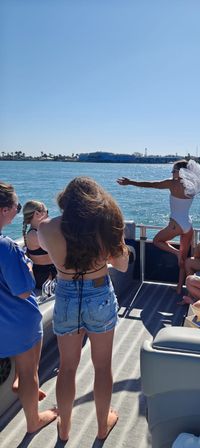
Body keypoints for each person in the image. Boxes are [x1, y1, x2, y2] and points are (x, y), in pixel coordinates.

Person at [38, 176, 129, 442]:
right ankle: (102, 427)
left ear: (65, 201)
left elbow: (46, 248)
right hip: (98, 292)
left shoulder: (46, 228)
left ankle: (64, 429)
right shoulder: (107, 226)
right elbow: (122, 265)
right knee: (102, 367)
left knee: (66, 367)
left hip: (66, 295)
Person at [117, 149, 200, 294]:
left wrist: (130, 182)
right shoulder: (194, 185)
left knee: (156, 241)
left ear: (180, 172)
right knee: (183, 261)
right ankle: (179, 288)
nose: (171, 173)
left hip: (176, 224)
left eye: (173, 170)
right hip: (188, 225)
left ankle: (176, 253)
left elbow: (151, 184)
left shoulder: (171, 184)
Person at [0, 181, 57, 433]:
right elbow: (24, 290)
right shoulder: (6, 248)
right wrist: (29, 267)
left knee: (23, 373)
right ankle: (34, 421)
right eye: (16, 206)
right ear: (4, 210)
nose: (17, 211)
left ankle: (20, 386)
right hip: (19, 321)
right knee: (29, 372)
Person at [22, 200, 57, 289]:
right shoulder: (34, 235)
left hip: (49, 272)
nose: (48, 215)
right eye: (46, 211)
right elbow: (57, 250)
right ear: (37, 214)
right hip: (45, 276)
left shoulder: (38, 232)